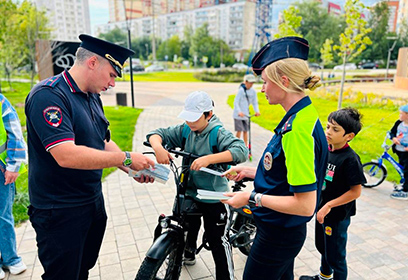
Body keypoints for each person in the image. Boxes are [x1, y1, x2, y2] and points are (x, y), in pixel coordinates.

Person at [25, 34, 155, 280]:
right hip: (60, 210)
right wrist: (125, 158)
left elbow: (102, 141)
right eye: (112, 75)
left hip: (91, 202)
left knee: (82, 269)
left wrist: (132, 168)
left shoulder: (92, 95)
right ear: (93, 63)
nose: (113, 83)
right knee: (63, 275)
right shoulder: (49, 95)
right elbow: (66, 155)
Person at [222, 36, 328, 280]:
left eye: (265, 82)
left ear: (283, 81)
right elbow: (286, 172)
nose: (261, 88)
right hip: (283, 231)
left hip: (278, 235)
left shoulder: (297, 131)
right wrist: (252, 173)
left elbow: (305, 205)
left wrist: (251, 197)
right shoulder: (302, 114)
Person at [146, 90, 248, 280]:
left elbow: (241, 150)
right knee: (185, 225)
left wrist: (209, 159)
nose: (190, 122)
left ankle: (226, 277)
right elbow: (156, 134)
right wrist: (158, 148)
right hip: (189, 191)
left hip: (213, 195)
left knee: (218, 241)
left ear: (209, 114)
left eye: (195, 118)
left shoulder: (217, 133)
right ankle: (188, 253)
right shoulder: (186, 130)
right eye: (188, 117)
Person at [299, 107, 366, 280]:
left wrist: (329, 205)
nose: (328, 132)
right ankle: (324, 276)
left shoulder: (350, 159)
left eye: (335, 129)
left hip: (337, 216)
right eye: (327, 127)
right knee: (324, 248)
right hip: (321, 211)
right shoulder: (326, 150)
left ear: (349, 136)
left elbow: (355, 191)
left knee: (337, 258)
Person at [0, 94, 27, 279]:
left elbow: (15, 133)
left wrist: (13, 166)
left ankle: (10, 258)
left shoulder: (1, 102)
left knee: (3, 214)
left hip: (1, 169)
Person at [232, 74, 261, 147]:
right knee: (239, 130)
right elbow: (236, 102)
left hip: (246, 115)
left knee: (246, 131)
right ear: (245, 82)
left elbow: (255, 103)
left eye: (252, 83)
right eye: (250, 83)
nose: (251, 85)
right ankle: (235, 145)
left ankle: (246, 146)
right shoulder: (241, 91)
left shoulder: (253, 92)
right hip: (238, 115)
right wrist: (239, 112)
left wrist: (257, 111)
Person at [389, 104, 408, 200]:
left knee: (407, 170)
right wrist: (393, 138)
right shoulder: (398, 123)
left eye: (401, 114)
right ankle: (404, 183)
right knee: (402, 168)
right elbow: (392, 132)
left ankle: (405, 191)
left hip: (406, 152)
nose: (399, 116)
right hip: (399, 150)